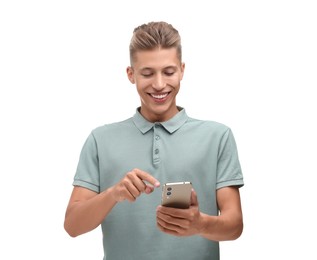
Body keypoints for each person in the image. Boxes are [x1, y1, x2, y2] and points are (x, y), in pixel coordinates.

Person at [64, 21, 244, 260]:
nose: (159, 84)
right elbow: (72, 226)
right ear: (131, 74)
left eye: (168, 72)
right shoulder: (100, 140)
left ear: (182, 70)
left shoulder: (217, 136)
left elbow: (235, 226)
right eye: (147, 74)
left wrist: (200, 224)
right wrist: (114, 194)